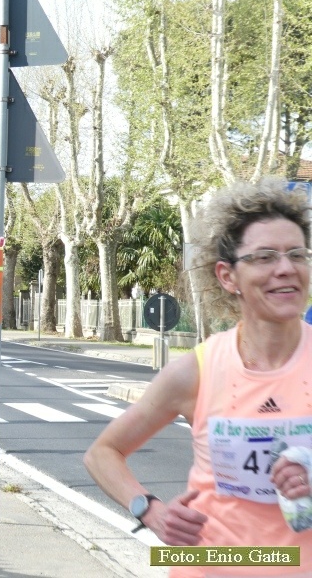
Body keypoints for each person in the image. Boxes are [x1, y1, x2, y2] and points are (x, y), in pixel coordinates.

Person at [84, 179, 312, 577]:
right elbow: (102, 453)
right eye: (264, 257)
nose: (285, 268)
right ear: (227, 276)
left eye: (297, 254)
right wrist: (149, 510)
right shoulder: (195, 371)